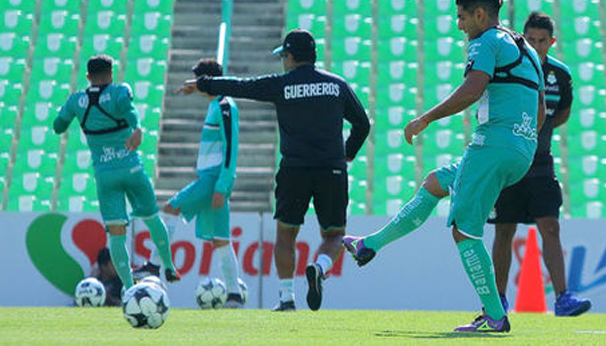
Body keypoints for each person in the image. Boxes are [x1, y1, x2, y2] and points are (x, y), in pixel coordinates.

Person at [343, 0, 546, 333]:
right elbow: (540, 108)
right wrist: (520, 143)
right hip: (523, 149)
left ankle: (495, 316)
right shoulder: (526, 47)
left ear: (480, 14)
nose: (459, 25)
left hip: (492, 146)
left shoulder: (485, 41)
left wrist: (426, 118)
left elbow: (473, 89)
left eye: (462, 17)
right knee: (435, 183)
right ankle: (369, 245)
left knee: (464, 231)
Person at [177, 29, 370, 311]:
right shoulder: (337, 85)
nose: (283, 61)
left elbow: (243, 87)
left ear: (290, 56)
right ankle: (319, 266)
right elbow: (362, 124)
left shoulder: (282, 84)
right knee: (333, 236)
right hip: (332, 169)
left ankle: (286, 298)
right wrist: (347, 154)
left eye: (283, 56)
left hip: (294, 170)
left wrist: (204, 83)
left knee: (286, 235)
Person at [489, 12, 591, 316]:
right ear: (522, 38)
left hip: (541, 162)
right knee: (504, 229)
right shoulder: (508, 67)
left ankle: (562, 298)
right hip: (509, 160)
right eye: (530, 39)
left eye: (542, 41)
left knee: (550, 226)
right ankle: (498, 301)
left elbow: (562, 114)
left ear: (552, 41)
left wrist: (538, 132)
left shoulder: (560, 75)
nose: (535, 45)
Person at [53, 54, 180, 291]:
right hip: (132, 169)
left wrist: (67, 111)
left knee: (117, 234)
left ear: (88, 76)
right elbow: (130, 111)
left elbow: (58, 127)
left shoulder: (76, 100)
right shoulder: (120, 91)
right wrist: (137, 128)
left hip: (105, 175)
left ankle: (129, 288)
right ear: (111, 74)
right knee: (152, 218)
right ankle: (169, 267)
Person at [134, 58, 246, 308]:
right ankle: (234, 294)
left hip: (213, 180)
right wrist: (193, 88)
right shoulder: (218, 103)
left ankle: (154, 265)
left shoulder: (225, 106)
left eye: (198, 80)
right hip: (212, 179)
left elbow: (231, 147)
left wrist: (222, 186)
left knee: (172, 207)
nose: (196, 83)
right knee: (220, 239)